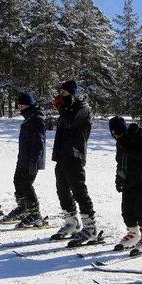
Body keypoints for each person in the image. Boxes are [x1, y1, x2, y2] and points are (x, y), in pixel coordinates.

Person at [50, 80, 98, 243]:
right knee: (62, 190)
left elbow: (71, 122)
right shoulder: (66, 108)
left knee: (79, 191)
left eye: (63, 92)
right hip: (62, 156)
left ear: (71, 93)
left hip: (75, 155)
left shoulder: (83, 108)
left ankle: (90, 227)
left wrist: (62, 108)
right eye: (59, 92)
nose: (60, 95)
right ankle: (71, 222)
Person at [109, 116, 142, 253]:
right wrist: (118, 178)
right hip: (128, 181)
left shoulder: (137, 136)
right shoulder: (120, 141)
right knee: (127, 211)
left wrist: (127, 146)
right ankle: (133, 234)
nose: (116, 136)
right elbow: (120, 162)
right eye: (114, 134)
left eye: (118, 133)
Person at [2, 92, 46, 228]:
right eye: (19, 105)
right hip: (23, 158)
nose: (20, 108)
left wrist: (34, 161)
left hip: (32, 160)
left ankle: (35, 214)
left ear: (29, 105)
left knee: (27, 185)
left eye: (22, 105)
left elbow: (39, 142)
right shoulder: (29, 117)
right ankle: (23, 208)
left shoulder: (36, 118)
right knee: (18, 182)